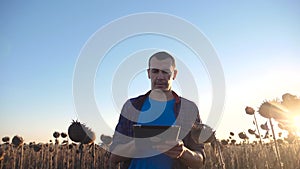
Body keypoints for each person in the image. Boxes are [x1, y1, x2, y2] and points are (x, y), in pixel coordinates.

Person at [108, 51, 205, 169]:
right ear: (148, 73)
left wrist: (183, 152)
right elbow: (113, 156)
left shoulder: (189, 109)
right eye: (155, 71)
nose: (160, 77)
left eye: (165, 72)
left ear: (174, 74)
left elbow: (200, 161)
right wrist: (136, 145)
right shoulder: (131, 106)